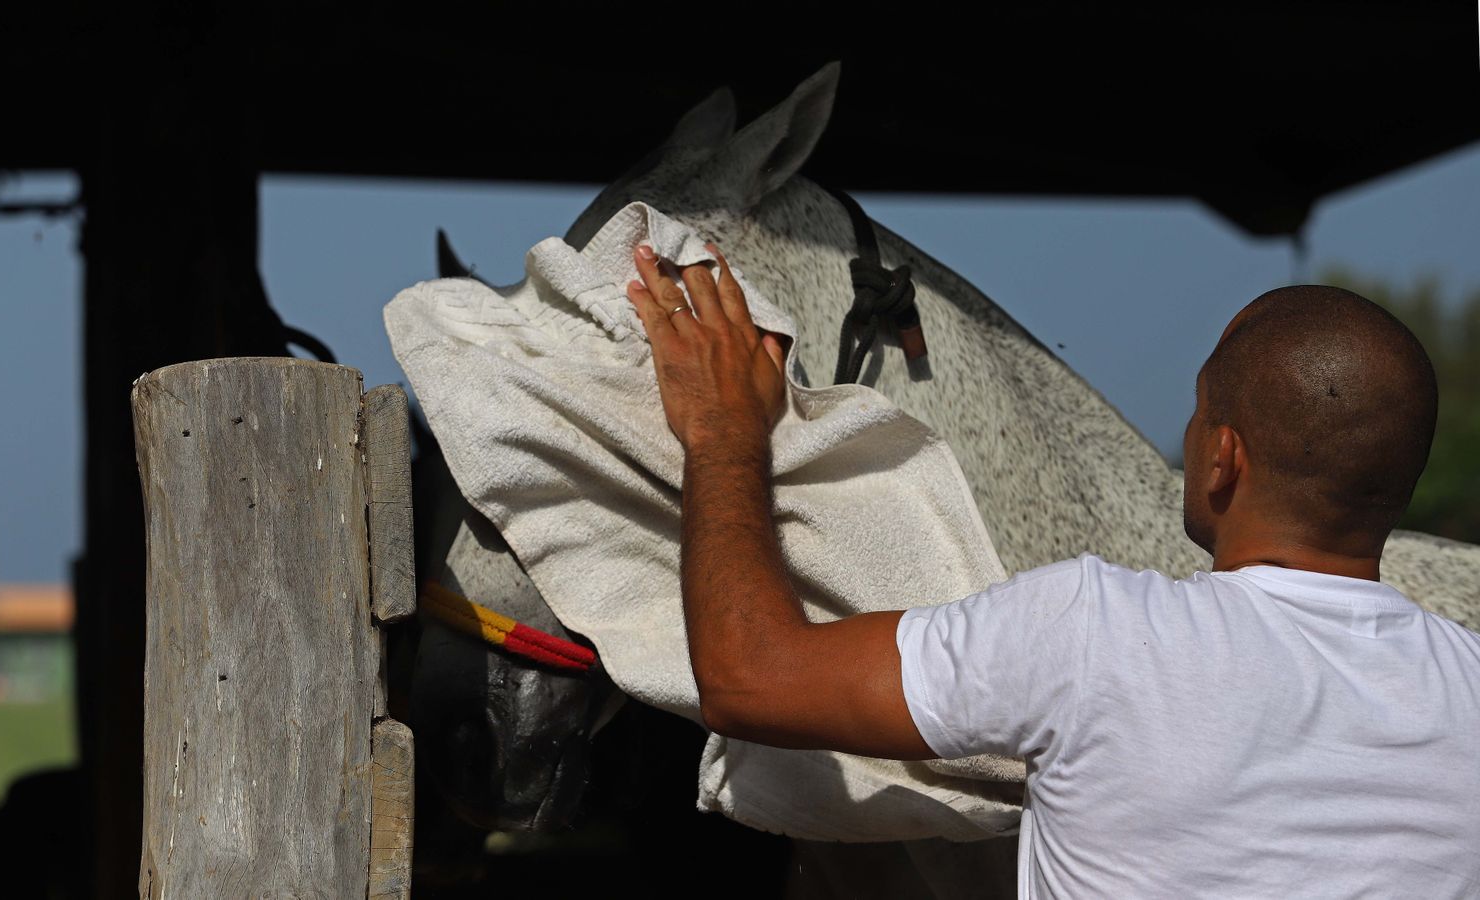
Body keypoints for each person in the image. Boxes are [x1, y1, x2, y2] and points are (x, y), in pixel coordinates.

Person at [623, 241, 1480, 898]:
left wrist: (724, 429)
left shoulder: (1097, 633)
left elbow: (750, 677)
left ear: (1223, 458)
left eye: (1197, 413)